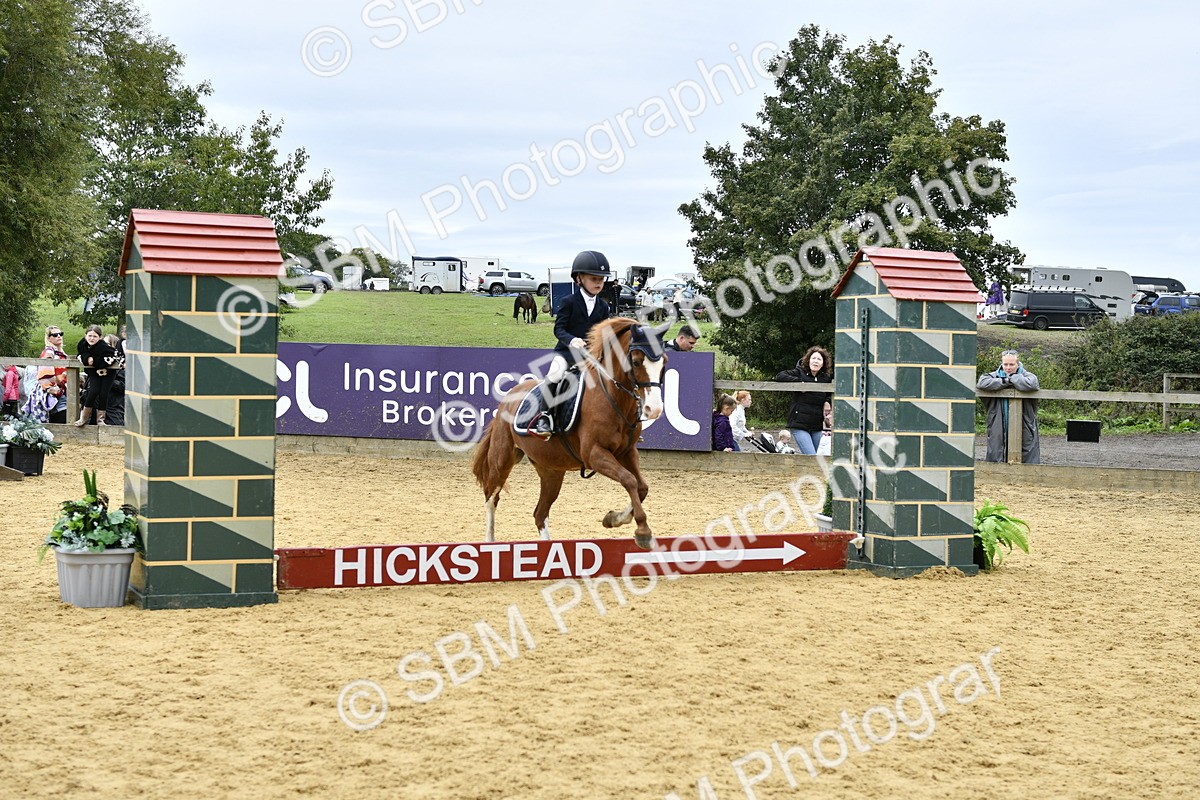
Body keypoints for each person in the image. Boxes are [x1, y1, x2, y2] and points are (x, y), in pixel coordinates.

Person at [530, 250, 612, 438]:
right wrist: (571, 340)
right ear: (579, 279)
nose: (599, 283)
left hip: (591, 356)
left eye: (601, 279)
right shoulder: (568, 302)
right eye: (594, 279)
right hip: (566, 353)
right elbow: (558, 329)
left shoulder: (604, 306)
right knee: (554, 375)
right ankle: (544, 416)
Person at [977, 349, 1041, 463]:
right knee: (996, 448)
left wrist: (1013, 378)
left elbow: (1032, 384)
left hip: (1024, 421)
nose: (1008, 367)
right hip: (998, 420)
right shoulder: (993, 375)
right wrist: (1006, 381)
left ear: (1018, 363)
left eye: (1011, 364)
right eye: (1005, 364)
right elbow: (982, 383)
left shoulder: (1028, 375)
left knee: (1027, 448)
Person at [776, 345, 833, 455]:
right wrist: (799, 383)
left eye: (819, 359)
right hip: (799, 423)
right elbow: (780, 376)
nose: (815, 361)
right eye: (813, 358)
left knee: (814, 457)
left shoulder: (826, 378)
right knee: (812, 456)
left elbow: (831, 392)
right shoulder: (799, 372)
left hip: (816, 424)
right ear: (808, 360)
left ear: (823, 363)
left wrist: (828, 401)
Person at [73, 325, 120, 426]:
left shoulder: (103, 346)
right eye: (90, 336)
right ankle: (83, 418)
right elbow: (80, 354)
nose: (92, 338)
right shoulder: (82, 344)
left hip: (108, 373)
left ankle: (100, 420)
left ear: (100, 337)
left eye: (95, 336)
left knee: (104, 394)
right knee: (93, 391)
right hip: (94, 373)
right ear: (85, 336)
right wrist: (87, 358)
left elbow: (112, 357)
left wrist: (94, 361)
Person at [37, 326, 70, 424]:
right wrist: (53, 390)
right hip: (56, 394)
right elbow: (44, 373)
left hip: (64, 392)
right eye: (55, 335)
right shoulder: (49, 352)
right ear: (48, 338)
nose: (59, 336)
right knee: (61, 421)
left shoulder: (60, 352)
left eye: (60, 334)